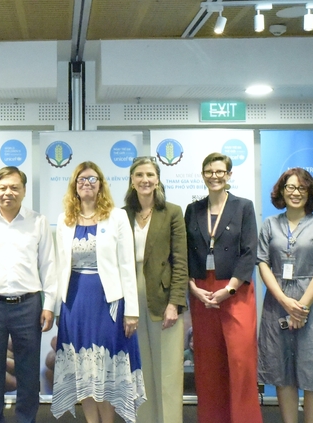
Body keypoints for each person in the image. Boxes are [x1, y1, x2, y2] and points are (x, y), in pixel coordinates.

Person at [51, 161, 145, 423]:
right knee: (84, 371)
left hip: (108, 304)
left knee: (104, 371)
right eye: (81, 180)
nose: (86, 184)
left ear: (101, 184)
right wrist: (59, 309)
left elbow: (127, 265)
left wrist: (132, 312)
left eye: (92, 179)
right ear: (74, 186)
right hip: (75, 303)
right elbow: (60, 265)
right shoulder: (64, 220)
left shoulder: (116, 217)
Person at [0, 166, 57, 423]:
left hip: (28, 304)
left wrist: (48, 304)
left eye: (15, 187)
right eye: (3, 187)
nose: (9, 192)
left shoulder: (38, 221)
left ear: (24, 190)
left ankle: (26, 419)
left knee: (28, 371)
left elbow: (48, 265)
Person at [257, 168, 313, 423]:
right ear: (282, 191)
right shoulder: (270, 224)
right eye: (290, 187)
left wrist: (300, 308)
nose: (295, 192)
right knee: (282, 371)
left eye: (302, 188)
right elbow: (262, 263)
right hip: (276, 302)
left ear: (310, 192)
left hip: (312, 306)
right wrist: (284, 301)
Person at [184, 152, 262, 423]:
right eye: (209, 171)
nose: (214, 176)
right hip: (202, 291)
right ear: (203, 175)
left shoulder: (244, 207)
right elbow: (184, 252)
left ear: (229, 175)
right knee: (208, 364)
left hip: (234, 290)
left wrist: (229, 289)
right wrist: (192, 287)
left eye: (220, 171)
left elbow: (249, 252)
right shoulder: (193, 209)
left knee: (240, 363)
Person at [123, 156, 188, 423]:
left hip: (163, 297)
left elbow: (181, 261)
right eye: (139, 175)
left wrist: (175, 302)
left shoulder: (172, 212)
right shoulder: (121, 214)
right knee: (139, 369)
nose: (145, 180)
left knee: (168, 370)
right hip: (130, 294)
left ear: (158, 179)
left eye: (149, 174)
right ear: (131, 180)